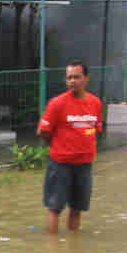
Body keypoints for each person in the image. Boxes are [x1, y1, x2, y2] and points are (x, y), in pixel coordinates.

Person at [36, 60, 105, 234]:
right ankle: (53, 250)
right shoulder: (57, 103)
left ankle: (73, 247)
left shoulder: (95, 103)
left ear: (86, 78)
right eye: (69, 78)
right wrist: (58, 145)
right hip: (60, 163)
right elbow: (43, 131)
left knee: (77, 207)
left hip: (84, 164)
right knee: (55, 207)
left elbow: (94, 129)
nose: (72, 81)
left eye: (76, 77)